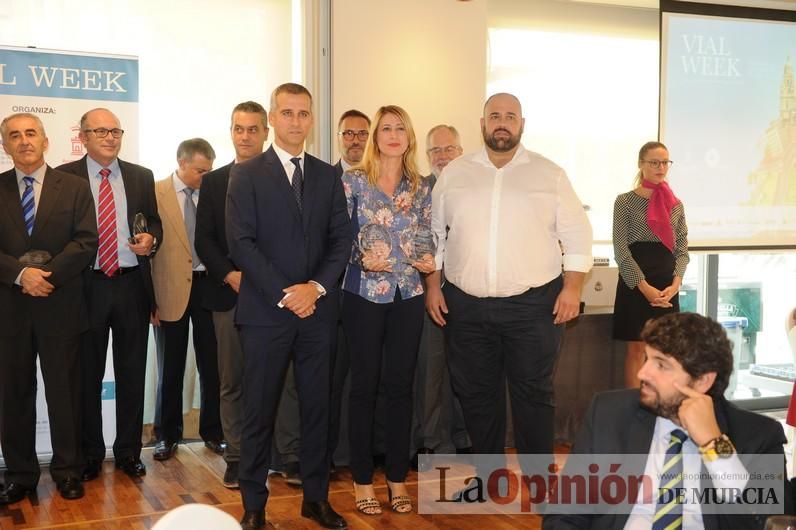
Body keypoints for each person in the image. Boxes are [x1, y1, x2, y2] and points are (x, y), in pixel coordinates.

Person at [426, 93, 593, 460]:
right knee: (475, 395)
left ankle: (539, 483)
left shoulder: (550, 174)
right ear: (482, 124)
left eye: (510, 116)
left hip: (533, 306)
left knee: (533, 394)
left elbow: (578, 234)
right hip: (465, 307)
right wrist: (433, 286)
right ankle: (488, 480)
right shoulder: (455, 174)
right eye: (494, 116)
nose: (502, 122)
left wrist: (573, 288)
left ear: (522, 125)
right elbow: (434, 235)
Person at [227, 83, 349, 530]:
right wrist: (287, 292)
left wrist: (313, 288)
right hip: (265, 314)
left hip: (317, 312)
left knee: (319, 409)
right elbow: (242, 244)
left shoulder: (326, 174)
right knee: (260, 411)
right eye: (287, 112)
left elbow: (342, 240)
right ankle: (254, 505)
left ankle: (315, 499)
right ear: (273, 119)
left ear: (311, 120)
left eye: (303, 113)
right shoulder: (247, 173)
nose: (296, 121)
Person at [543, 312, 789, 529]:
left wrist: (714, 445)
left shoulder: (757, 436)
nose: (642, 373)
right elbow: (564, 513)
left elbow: (769, 521)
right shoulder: (609, 414)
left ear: (703, 381)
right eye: (647, 359)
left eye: (661, 365)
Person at [57, 108, 161, 481]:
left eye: (115, 131)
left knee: (133, 372)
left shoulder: (140, 176)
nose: (109, 137)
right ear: (82, 136)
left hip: (132, 285)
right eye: (99, 131)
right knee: (86, 375)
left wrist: (152, 239)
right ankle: (89, 454)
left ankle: (129, 452)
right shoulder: (63, 178)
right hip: (86, 286)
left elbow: (154, 223)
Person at [341, 105, 434, 515]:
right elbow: (335, 237)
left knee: (400, 387)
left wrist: (430, 262)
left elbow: (427, 236)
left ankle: (397, 479)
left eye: (401, 128)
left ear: (409, 137)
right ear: (374, 137)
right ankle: (363, 481)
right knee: (362, 388)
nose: (393, 135)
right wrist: (360, 257)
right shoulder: (351, 182)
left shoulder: (422, 186)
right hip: (362, 294)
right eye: (386, 129)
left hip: (408, 294)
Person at [0, 113, 98, 503]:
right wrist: (21, 275)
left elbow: (85, 241)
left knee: (66, 394)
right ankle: (21, 475)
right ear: (5, 145)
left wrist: (46, 276)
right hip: (10, 309)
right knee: (13, 395)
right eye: (14, 136)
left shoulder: (74, 188)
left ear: (45, 141)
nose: (24, 141)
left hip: (61, 307)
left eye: (30, 134)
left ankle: (68, 470)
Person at [151, 138, 224, 461]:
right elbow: (147, 254)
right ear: (181, 163)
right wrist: (148, 300)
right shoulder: (155, 193)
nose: (205, 177)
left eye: (209, 170)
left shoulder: (214, 193)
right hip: (169, 291)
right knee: (171, 367)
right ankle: (166, 435)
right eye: (200, 171)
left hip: (208, 287)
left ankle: (214, 432)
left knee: (213, 366)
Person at [411, 124, 470, 467]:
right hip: (429, 290)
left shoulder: (476, 187)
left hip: (469, 294)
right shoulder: (420, 192)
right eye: (436, 151)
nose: (443, 156)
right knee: (430, 371)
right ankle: (433, 442)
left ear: (461, 151)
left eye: (449, 149)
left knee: (466, 370)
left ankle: (464, 437)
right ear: (427, 156)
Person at [613, 141, 689, 388]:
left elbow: (682, 250)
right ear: (641, 165)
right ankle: (634, 411)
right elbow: (621, 250)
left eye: (665, 162)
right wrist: (644, 287)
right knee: (636, 352)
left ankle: (660, 409)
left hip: (667, 286)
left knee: (665, 354)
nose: (660, 167)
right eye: (654, 162)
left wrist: (676, 284)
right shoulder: (624, 201)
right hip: (636, 284)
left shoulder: (675, 204)